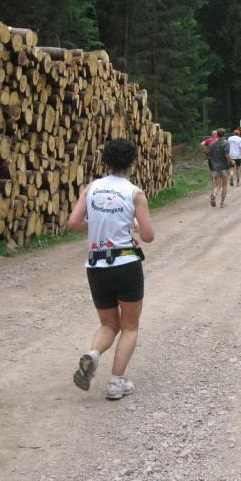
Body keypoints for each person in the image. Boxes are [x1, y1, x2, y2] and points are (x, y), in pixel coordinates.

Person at [68, 138, 155, 400]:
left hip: (96, 265)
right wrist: (130, 226)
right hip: (126, 263)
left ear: (105, 161)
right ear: (133, 163)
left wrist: (95, 225)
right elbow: (148, 236)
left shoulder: (91, 188)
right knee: (129, 326)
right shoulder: (135, 193)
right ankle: (116, 382)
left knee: (108, 324)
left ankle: (93, 354)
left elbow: (73, 222)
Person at [207, 128, 234, 207]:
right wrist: (232, 161)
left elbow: (209, 155)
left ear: (217, 134)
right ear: (224, 134)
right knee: (224, 185)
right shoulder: (226, 143)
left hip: (215, 167)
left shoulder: (212, 144)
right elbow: (227, 155)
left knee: (217, 185)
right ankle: (222, 203)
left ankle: (214, 195)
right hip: (224, 167)